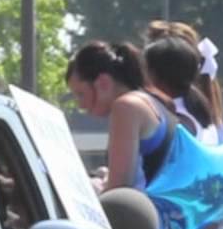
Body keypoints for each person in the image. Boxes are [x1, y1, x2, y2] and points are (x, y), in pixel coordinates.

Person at [68, 41, 173, 190]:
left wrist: (95, 186)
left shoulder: (126, 107)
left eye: (80, 94)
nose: (80, 105)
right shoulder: (150, 102)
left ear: (103, 83)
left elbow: (119, 191)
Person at [142, 34, 220, 144]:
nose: (142, 77)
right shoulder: (197, 111)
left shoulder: (177, 122)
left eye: (145, 70)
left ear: (159, 75)